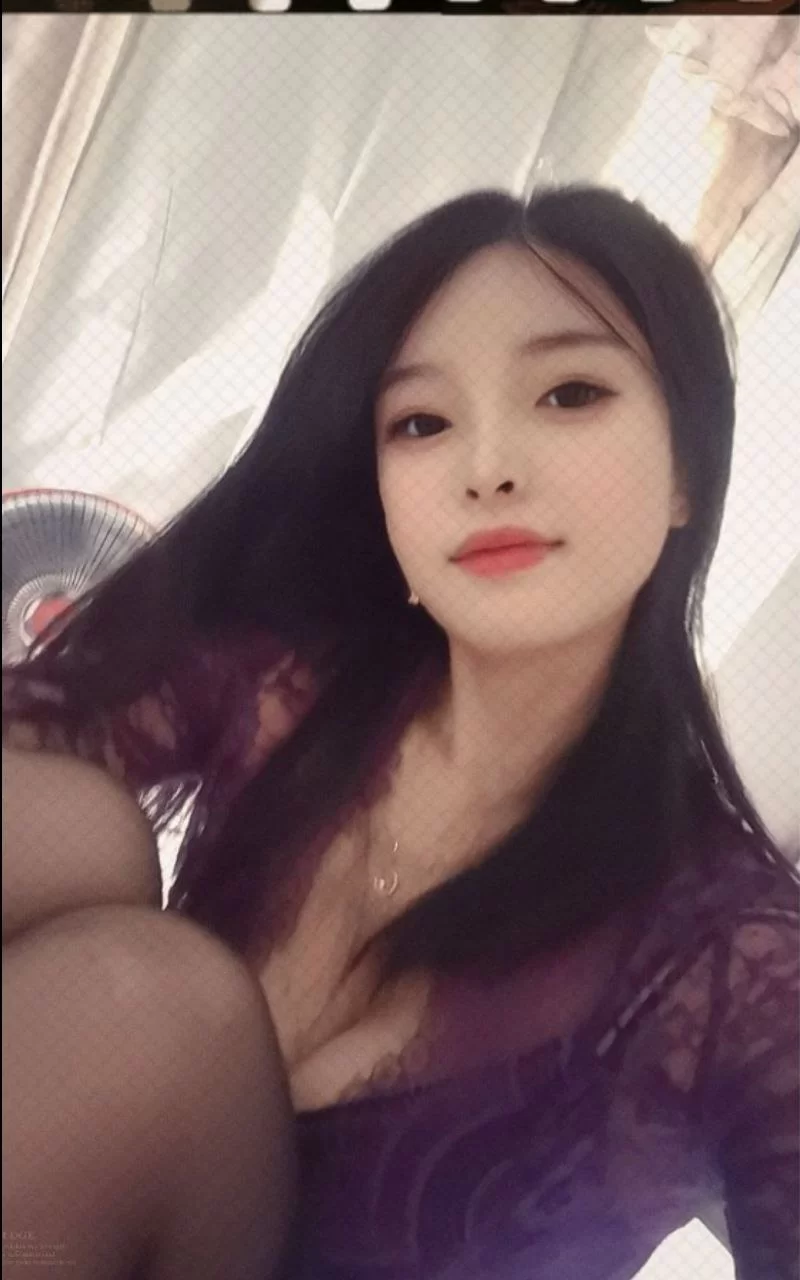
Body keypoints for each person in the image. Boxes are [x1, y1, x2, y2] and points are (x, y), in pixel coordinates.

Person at [2, 186, 798, 1280]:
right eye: (421, 421)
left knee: (151, 1003)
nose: (487, 466)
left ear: (686, 474)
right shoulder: (288, 690)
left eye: (569, 393)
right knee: (77, 833)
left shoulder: (731, 961)